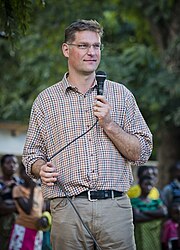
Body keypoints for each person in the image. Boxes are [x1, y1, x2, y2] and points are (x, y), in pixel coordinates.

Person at [22, 19, 153, 250]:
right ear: (66, 49)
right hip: (67, 210)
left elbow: (142, 152)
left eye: (96, 46)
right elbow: (31, 155)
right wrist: (40, 168)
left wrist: (110, 124)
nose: (91, 52)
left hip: (115, 209)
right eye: (83, 46)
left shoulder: (121, 95)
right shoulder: (46, 101)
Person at [8, 164, 50, 250]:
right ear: (21, 174)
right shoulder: (17, 189)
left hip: (37, 231)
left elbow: (42, 209)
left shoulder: (39, 190)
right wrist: (32, 190)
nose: (31, 177)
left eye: (33, 174)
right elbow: (27, 209)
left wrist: (44, 217)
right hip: (22, 229)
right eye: (27, 173)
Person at [131, 175, 167, 250]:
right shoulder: (134, 201)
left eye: (150, 185)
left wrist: (143, 211)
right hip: (140, 235)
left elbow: (164, 212)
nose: (148, 187)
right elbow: (137, 217)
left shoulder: (156, 201)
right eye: (145, 184)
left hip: (155, 235)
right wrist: (156, 215)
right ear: (140, 185)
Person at [0, 154, 20, 250]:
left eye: (14, 163)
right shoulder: (0, 184)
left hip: (19, 226)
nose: (12, 165)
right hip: (3, 226)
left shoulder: (21, 183)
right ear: (2, 166)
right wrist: (20, 206)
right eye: (8, 162)